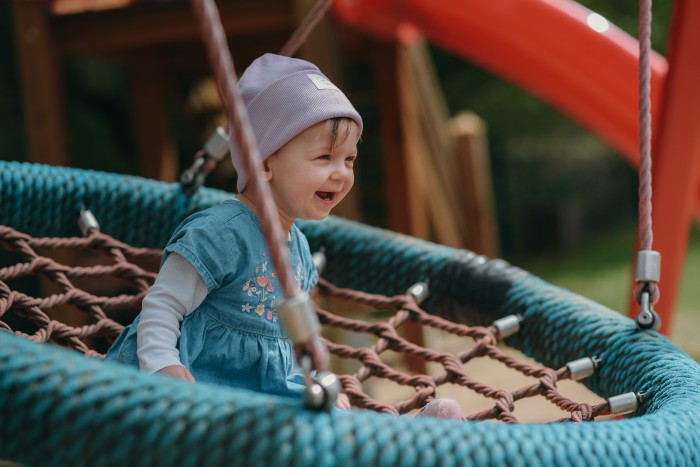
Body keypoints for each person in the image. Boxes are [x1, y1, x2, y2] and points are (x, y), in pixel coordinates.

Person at [106, 53, 461, 419]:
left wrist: (321, 378)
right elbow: (162, 306)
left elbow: (296, 340)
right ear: (264, 163)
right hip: (197, 394)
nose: (341, 173)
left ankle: (408, 438)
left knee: (330, 422)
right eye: (324, 157)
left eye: (349, 159)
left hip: (264, 395)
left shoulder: (300, 248)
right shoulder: (219, 233)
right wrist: (162, 366)